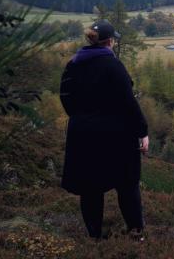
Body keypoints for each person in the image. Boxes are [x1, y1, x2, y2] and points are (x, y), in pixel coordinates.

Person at [59, 19, 149, 240]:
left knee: (90, 189)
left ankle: (95, 238)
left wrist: (82, 118)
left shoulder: (73, 64)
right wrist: (142, 131)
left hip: (83, 135)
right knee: (127, 185)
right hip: (117, 136)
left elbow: (65, 98)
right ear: (109, 42)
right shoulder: (113, 66)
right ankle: (136, 233)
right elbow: (129, 103)